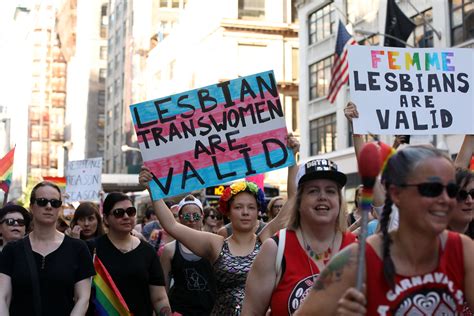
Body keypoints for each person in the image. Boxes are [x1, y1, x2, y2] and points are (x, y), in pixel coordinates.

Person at [295, 145, 474, 315]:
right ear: (396, 194)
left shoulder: (463, 251)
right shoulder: (356, 262)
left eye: (451, 190)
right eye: (432, 189)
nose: (445, 199)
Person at [242, 159, 357, 315]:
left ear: (339, 200)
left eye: (330, 191)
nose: (322, 196)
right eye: (313, 190)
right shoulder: (275, 249)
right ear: (299, 201)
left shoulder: (356, 248)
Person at [0, 181, 95, 315]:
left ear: (59, 208)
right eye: (42, 201)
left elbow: (82, 299)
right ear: (31, 206)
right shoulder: (11, 250)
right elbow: (3, 298)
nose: (49, 206)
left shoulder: (78, 248)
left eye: (55, 203)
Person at [92, 192, 171, 315]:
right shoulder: (91, 249)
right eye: (119, 213)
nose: (126, 216)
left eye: (130, 211)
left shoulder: (148, 251)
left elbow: (159, 298)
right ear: (106, 219)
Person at [160, 195, 216, 315]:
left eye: (195, 216)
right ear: (180, 218)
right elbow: (161, 290)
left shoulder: (214, 245)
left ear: (202, 217)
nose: (191, 220)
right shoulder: (170, 250)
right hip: (180, 311)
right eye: (186, 216)